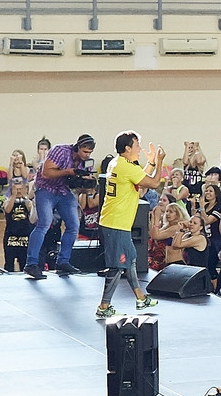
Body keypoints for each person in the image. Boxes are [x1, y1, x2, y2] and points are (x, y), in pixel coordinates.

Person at [94, 133, 161, 319]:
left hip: (114, 221)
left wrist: (151, 164)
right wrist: (159, 161)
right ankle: (104, 305)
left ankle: (141, 297)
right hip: (116, 223)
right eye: (137, 145)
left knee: (130, 258)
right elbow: (153, 182)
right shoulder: (126, 167)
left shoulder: (117, 163)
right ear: (128, 148)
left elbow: (140, 181)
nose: (140, 148)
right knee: (117, 265)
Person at [26, 134, 94, 280]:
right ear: (77, 147)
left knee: (73, 225)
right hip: (46, 189)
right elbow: (46, 172)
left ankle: (63, 261)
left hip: (64, 191)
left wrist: (85, 184)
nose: (87, 155)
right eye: (85, 151)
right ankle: (31, 263)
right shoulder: (60, 151)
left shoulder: (87, 163)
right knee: (44, 223)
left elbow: (76, 186)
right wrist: (69, 171)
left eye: (89, 153)